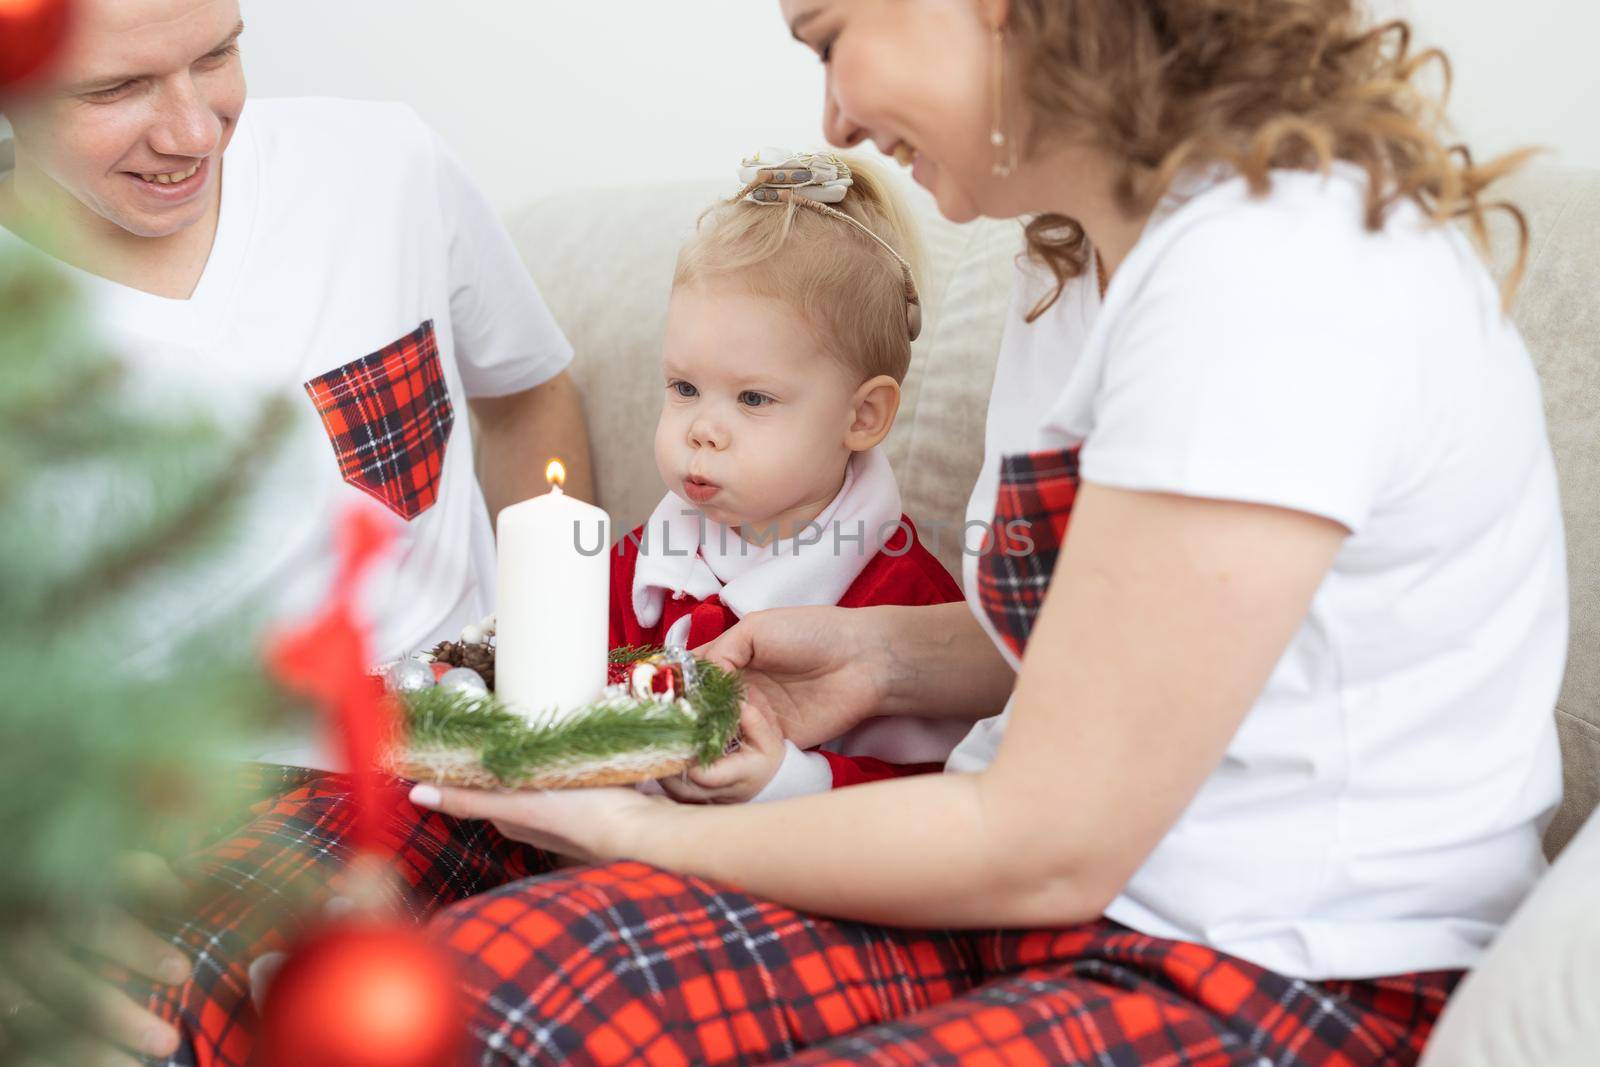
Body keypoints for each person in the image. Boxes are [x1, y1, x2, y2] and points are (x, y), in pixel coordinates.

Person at [409, 1, 1567, 1063]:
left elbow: (1049, 837)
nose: (835, 118)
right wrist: (881, 656)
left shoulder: (1275, 274)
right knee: (460, 1003)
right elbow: (1131, 637)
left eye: (828, 39)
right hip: (1035, 907)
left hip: (1271, 965)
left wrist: (624, 824)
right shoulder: (1065, 268)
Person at [0, 0, 592, 1061]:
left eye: (218, 55)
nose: (192, 129)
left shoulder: (381, 166)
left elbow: (525, 395)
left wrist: (556, 671)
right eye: (115, 90)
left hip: (427, 755)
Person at [613, 149, 965, 803]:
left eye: (752, 399)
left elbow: (941, 796)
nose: (701, 429)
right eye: (684, 387)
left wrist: (791, 782)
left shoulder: (906, 600)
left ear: (862, 416)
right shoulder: (637, 567)